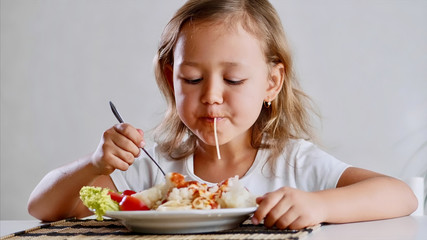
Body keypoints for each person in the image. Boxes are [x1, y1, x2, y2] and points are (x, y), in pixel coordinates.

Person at [28, 0, 417, 229]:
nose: (211, 96)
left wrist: (320, 205)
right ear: (171, 79)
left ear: (271, 82)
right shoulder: (152, 172)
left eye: (233, 79)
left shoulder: (293, 163)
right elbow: (42, 208)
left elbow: (400, 195)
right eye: (193, 79)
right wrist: (93, 164)